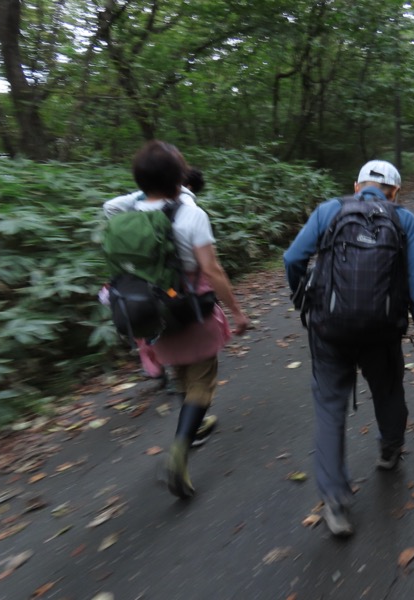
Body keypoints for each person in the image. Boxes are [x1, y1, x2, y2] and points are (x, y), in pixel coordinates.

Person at [283, 160, 414, 536]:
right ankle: (389, 450)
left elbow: (292, 259)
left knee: (330, 405)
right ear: (395, 193)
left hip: (329, 329)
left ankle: (336, 501)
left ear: (357, 186)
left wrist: (305, 296)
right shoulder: (405, 221)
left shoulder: (329, 211)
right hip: (382, 329)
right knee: (387, 389)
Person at [103, 142, 249, 499]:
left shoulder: (126, 210)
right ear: (180, 178)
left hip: (150, 313)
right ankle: (180, 450)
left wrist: (147, 189)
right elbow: (212, 270)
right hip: (189, 308)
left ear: (140, 179)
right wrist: (237, 311)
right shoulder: (191, 215)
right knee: (203, 379)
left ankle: (195, 427)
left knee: (180, 370)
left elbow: (110, 204)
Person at [106, 166, 205, 393]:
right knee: (167, 315)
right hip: (163, 274)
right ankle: (175, 374)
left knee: (143, 318)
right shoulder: (187, 202)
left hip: (130, 275)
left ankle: (156, 370)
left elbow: (109, 207)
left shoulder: (138, 203)